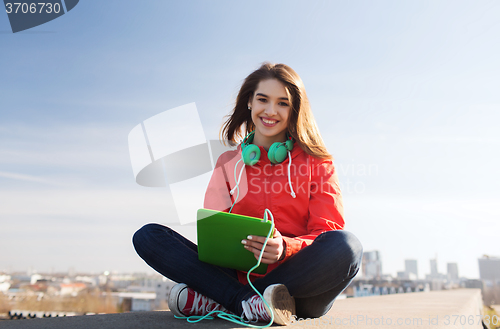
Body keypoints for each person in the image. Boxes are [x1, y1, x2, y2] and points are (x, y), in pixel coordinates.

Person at [132, 62, 363, 326]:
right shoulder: (227, 164)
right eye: (263, 99)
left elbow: (326, 232)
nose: (271, 111)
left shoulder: (318, 164)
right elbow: (214, 235)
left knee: (348, 246)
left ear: (294, 110)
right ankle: (246, 301)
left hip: (299, 290)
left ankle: (227, 299)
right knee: (148, 236)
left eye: (283, 103)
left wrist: (285, 248)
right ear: (250, 103)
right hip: (238, 276)